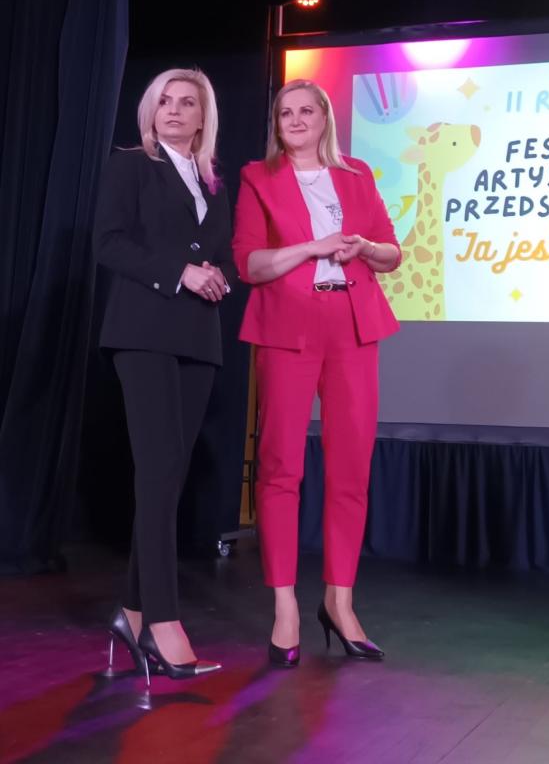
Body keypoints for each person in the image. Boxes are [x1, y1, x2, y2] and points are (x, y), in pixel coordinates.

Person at [232, 79, 401, 666]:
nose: (297, 120)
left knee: (351, 467)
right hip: (289, 329)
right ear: (277, 124)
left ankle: (340, 601)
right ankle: (285, 607)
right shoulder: (259, 178)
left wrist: (363, 248)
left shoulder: (356, 174)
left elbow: (392, 253)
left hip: (353, 327)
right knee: (281, 466)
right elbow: (250, 264)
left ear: (325, 118)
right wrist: (312, 247)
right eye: (286, 113)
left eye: (307, 111)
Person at [94, 68, 237, 681]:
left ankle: (131, 614)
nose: (174, 110)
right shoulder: (130, 166)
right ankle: (162, 621)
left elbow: (222, 253)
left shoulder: (213, 181)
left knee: (169, 478)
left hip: (198, 338)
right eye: (164, 102)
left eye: (187, 103)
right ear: (151, 112)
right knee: (157, 471)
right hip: (143, 333)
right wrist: (180, 271)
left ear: (203, 118)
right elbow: (108, 243)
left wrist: (219, 273)